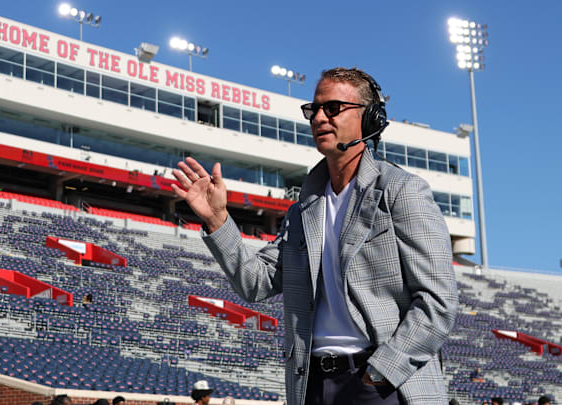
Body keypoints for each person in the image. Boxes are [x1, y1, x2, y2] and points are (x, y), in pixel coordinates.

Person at [173, 67, 458, 405]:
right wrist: (218, 219)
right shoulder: (304, 209)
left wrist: (379, 374)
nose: (320, 117)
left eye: (333, 108)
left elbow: (438, 302)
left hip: (381, 384)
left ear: (369, 119)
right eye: (315, 109)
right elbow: (255, 281)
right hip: (313, 385)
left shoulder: (401, 191)